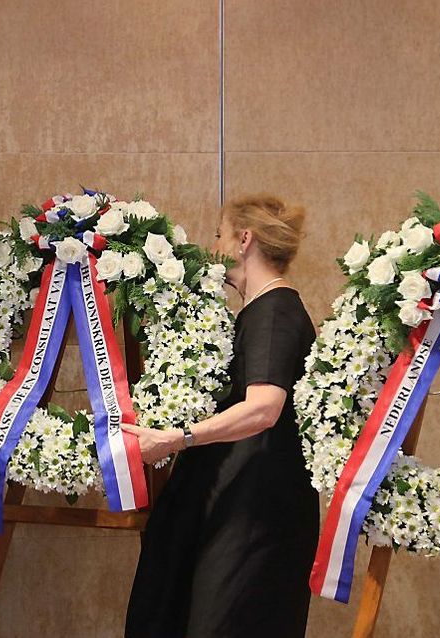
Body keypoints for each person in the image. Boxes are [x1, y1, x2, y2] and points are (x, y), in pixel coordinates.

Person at [123, 194, 320, 637]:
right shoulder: (258, 311)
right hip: (236, 501)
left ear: (244, 240)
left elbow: (264, 409)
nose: (214, 244)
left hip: (253, 510)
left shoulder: (274, 311)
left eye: (219, 234)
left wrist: (175, 438)